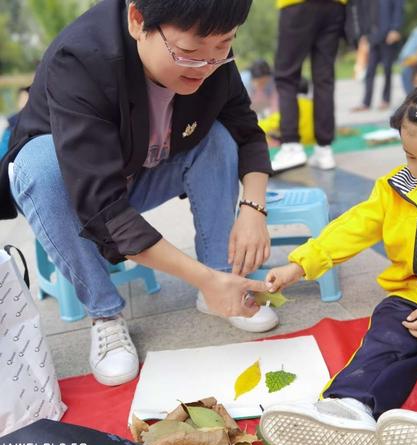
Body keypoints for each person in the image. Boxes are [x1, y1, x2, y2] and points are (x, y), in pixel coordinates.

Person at [0, 0, 279, 387]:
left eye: (223, 46)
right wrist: (198, 278)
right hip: (79, 189)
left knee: (218, 138)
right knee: (38, 165)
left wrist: (252, 210)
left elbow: (246, 130)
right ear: (137, 19)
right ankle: (106, 315)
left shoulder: (212, 53)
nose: (206, 66)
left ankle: (221, 278)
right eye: (190, 53)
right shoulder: (82, 59)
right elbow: (101, 206)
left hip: (146, 171)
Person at [259, 38, 417, 445]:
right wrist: (300, 265)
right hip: (411, 299)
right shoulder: (398, 187)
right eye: (411, 156)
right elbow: (352, 228)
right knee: (383, 341)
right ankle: (349, 408)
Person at [271, 0, 346, 172]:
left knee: (286, 76)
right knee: (324, 79)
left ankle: (291, 146)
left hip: (297, 4)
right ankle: (324, 150)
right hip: (335, 6)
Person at [352, 0, 405, 112]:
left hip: (388, 35)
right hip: (372, 36)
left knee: (387, 68)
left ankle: (385, 99)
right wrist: (364, 34)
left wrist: (395, 29)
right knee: (370, 70)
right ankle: (366, 102)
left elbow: (398, 7)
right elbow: (363, 13)